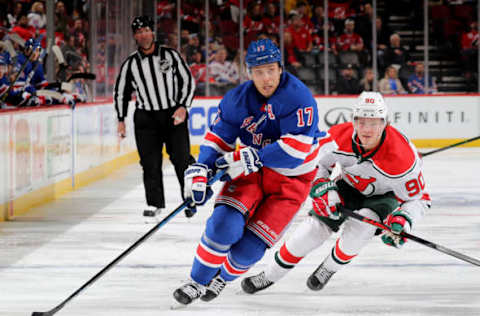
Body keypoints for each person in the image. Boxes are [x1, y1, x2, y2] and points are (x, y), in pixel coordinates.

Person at [173, 38, 331, 305]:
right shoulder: (236, 100)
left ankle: (222, 277)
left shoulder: (299, 96)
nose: (266, 78)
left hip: (292, 180)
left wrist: (253, 156)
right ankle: (197, 282)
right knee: (224, 225)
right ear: (249, 72)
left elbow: (296, 150)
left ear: (280, 68)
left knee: (249, 249)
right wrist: (202, 170)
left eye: (270, 69)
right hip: (253, 171)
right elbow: (217, 141)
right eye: (258, 72)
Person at [241, 91, 431, 294]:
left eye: (374, 123)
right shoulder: (337, 137)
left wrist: (403, 220)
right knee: (311, 231)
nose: (366, 130)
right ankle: (270, 275)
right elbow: (314, 164)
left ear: (385, 123)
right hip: (347, 187)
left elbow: (420, 198)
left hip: (383, 198)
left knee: (360, 230)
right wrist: (322, 186)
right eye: (361, 121)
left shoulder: (402, 158)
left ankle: (328, 268)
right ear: (353, 121)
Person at [113, 16, 196, 218]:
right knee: (150, 162)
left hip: (172, 115)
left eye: (146, 30)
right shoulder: (131, 64)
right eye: (139, 32)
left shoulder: (170, 55)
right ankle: (154, 203)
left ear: (152, 32)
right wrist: (121, 120)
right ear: (135, 36)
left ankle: (190, 198)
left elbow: (188, 81)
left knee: (182, 159)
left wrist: (183, 107)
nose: (143, 35)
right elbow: (121, 92)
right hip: (146, 119)